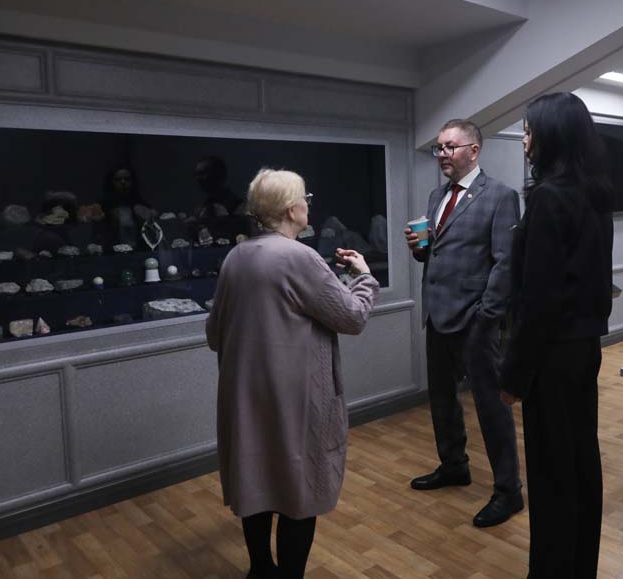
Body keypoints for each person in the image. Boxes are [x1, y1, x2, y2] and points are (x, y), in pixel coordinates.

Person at [206, 168, 378, 579]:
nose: (308, 205)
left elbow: (214, 334)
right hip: (297, 398)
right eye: (305, 198)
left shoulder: (236, 257)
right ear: (290, 209)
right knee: (299, 490)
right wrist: (363, 276)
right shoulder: (300, 257)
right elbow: (353, 317)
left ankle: (260, 569)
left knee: (257, 481)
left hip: (246, 396)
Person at [499, 93, 614, 578]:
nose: (525, 141)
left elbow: (539, 298)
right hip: (583, 348)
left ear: (551, 135)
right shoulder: (594, 192)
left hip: (550, 355)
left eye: (529, 131)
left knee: (550, 473)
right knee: (580, 463)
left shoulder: (549, 197)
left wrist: (513, 376)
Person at [403, 119, 523, 528]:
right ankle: (454, 465)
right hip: (437, 315)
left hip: (475, 321)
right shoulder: (437, 195)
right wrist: (419, 248)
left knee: (491, 407)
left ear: (474, 150)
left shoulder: (500, 196)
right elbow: (436, 253)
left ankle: (508, 491)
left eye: (449, 147)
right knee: (442, 399)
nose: (442, 155)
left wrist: (486, 316)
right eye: (439, 148)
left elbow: (505, 263)